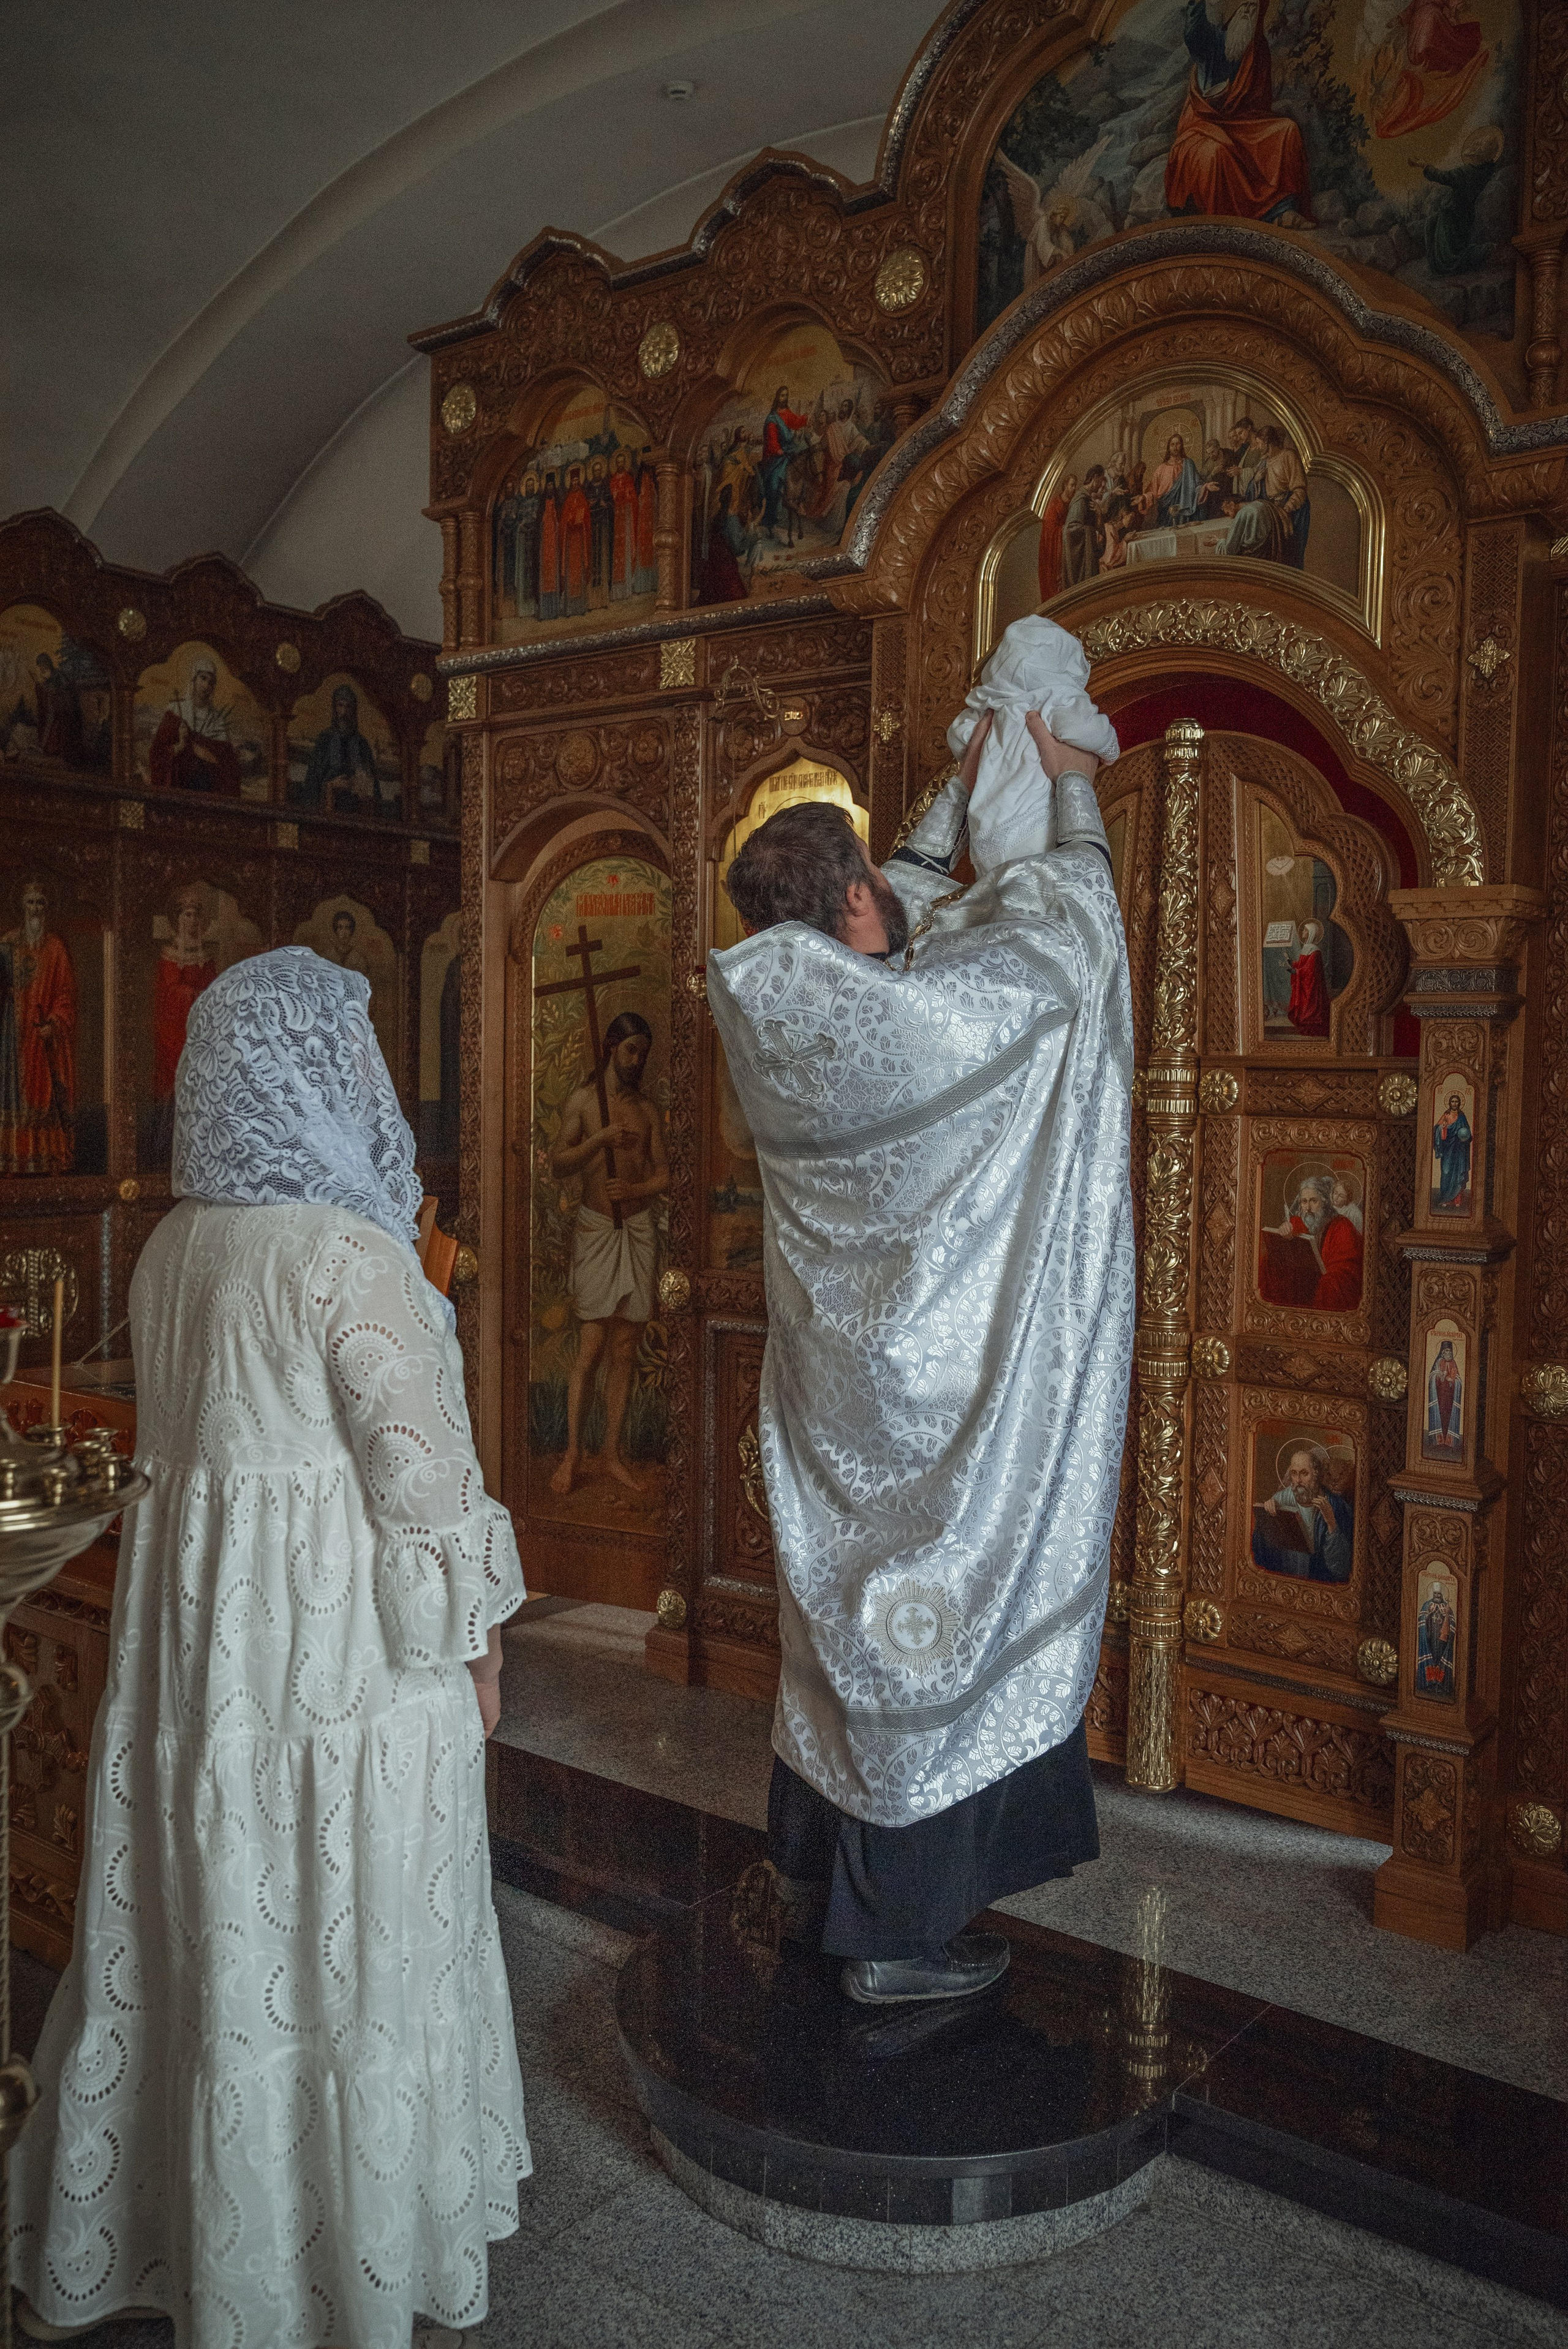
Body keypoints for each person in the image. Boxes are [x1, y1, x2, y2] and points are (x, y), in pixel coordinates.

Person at [10, 948, 530, 2349]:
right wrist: (477, 1645)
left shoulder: (177, 1241)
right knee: (352, 1924)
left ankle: (198, 2220)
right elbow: (420, 1485)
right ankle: (344, 2250)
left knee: (219, 1917)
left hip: (205, 1651)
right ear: (320, 1071)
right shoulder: (343, 1252)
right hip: (346, 1656)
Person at [709, 646, 1133, 2007]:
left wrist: (952, 799)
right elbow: (1051, 955)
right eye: (875, 886)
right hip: (937, 1413)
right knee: (925, 1639)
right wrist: (1064, 799)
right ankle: (894, 1938)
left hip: (839, 1398)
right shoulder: (917, 1021)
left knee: (837, 1628)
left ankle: (805, 1868)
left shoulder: (778, 1006)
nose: (899, 893)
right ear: (850, 900)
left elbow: (904, 929)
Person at [548, 1011, 669, 1496]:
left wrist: (636, 1186)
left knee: (624, 1350)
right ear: (612, 1048)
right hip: (597, 1231)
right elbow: (558, 1161)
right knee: (592, 1347)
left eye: (643, 1052)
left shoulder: (646, 1109)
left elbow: (665, 1173)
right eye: (630, 1050)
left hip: (636, 1230)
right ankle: (573, 1453)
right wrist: (599, 1139)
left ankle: (610, 1453)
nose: (637, 1060)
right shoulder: (582, 1101)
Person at [1164, 0, 1314, 227]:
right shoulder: (1213, 42)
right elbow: (1193, 33)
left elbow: (1259, 106)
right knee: (1215, 154)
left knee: (1287, 130)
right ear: (1233, 15)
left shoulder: (1258, 52)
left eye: (1253, 10)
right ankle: (1224, 225)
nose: (1247, 12)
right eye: (1244, 8)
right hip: (1203, 127)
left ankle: (1283, 211)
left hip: (1244, 126)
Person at [0, 878, 75, 1177]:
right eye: (30, 902)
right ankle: (11, 1159)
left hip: (41, 1034)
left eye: (40, 903)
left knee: (42, 1096)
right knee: (11, 1095)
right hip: (11, 1036)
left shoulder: (56, 949)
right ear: (22, 905)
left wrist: (54, 1023)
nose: (35, 909)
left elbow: (66, 995)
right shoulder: (7, 943)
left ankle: (44, 1159)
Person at [150, 884, 219, 1159]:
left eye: (195, 916)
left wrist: (204, 997)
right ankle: (165, 1153)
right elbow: (167, 996)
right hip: (173, 1034)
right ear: (177, 920)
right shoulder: (168, 957)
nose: (191, 921)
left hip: (200, 1034)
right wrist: (190, 994)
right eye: (186, 916)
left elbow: (213, 993)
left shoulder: (207, 958)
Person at [1251, 1442, 1353, 1582]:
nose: (1298, 1480)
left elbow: (1341, 1569)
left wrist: (1331, 1523)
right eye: (1294, 1474)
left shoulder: (1338, 1507)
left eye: (1304, 1474)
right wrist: (1267, 1512)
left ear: (1316, 1475)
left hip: (1317, 1582)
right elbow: (1262, 1548)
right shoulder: (1282, 1498)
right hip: (1285, 1578)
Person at [1266, 1171, 1363, 1311]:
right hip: (1305, 1283)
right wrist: (1285, 1230)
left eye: (1314, 1201)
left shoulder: (1342, 1227)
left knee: (1330, 1284)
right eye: (1304, 1202)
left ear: (1325, 1202)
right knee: (1268, 1263)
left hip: (1327, 1283)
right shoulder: (1298, 1223)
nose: (1307, 1208)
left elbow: (1346, 1270)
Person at [148, 655, 242, 795]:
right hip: (178, 785)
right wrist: (180, 745)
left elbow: (226, 763)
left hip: (207, 790)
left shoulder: (217, 721)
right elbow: (157, 753)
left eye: (211, 682)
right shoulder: (175, 711)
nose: (207, 686)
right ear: (194, 679)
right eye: (203, 678)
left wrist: (206, 753)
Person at [299, 682, 384, 815]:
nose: (344, 712)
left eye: (348, 707)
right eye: (340, 706)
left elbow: (373, 785)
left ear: (354, 710)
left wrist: (360, 785)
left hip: (356, 810)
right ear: (335, 708)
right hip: (328, 807)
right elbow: (312, 782)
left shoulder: (362, 744)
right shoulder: (325, 740)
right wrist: (330, 785)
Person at [1037, 472, 1076, 601]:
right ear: (1065, 486)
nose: (1074, 488)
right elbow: (1049, 530)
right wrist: (1063, 529)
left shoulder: (1071, 504)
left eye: (1075, 485)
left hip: (1065, 547)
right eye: (1072, 485)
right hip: (1053, 550)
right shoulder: (1054, 505)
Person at [1433, 1088, 1472, 1208]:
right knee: (1446, 1172)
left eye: (1456, 1102)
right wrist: (1443, 1128)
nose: (1454, 1104)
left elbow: (1468, 1133)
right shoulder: (1446, 1115)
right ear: (1450, 1103)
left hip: (1459, 1150)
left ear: (1459, 1103)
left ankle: (1457, 1200)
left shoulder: (1462, 1116)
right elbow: (1436, 1129)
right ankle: (1445, 1199)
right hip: (1447, 1149)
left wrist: (1465, 1137)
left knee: (1458, 1173)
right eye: (1453, 1102)